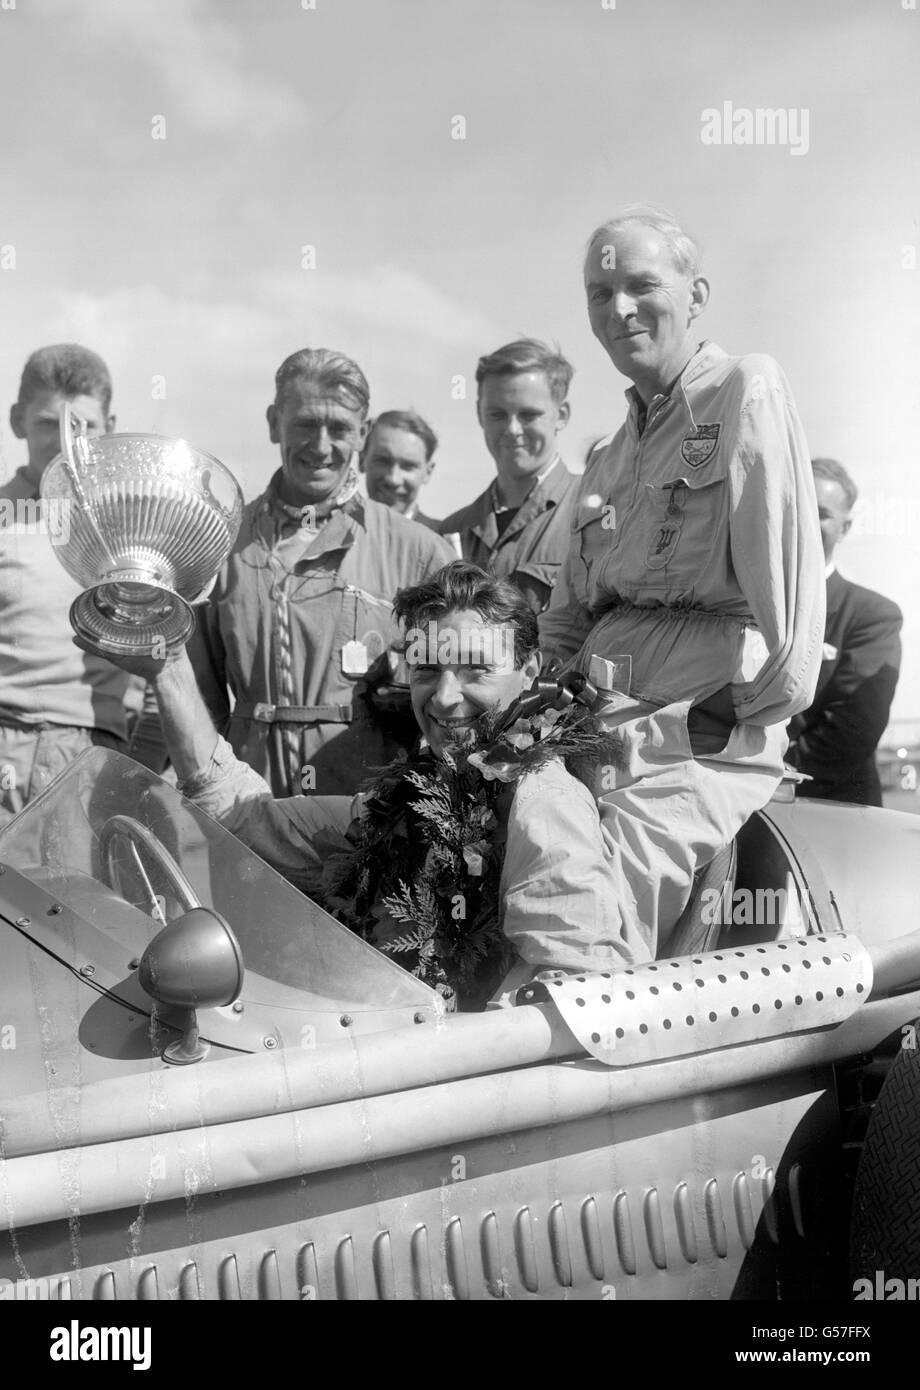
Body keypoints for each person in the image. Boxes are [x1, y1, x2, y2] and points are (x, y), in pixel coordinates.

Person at [95, 561, 646, 1008]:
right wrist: (167, 668)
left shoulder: (539, 800)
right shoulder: (412, 795)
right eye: (427, 671)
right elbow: (246, 818)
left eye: (477, 670)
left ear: (530, 671)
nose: (446, 697)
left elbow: (580, 988)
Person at [538, 204, 825, 959]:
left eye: (641, 284)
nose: (619, 309)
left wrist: (738, 710)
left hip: (692, 736)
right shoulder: (605, 455)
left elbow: (793, 595)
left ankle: (583, 1062)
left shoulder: (744, 390)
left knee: (593, 909)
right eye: (601, 295)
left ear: (695, 295)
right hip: (593, 730)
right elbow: (567, 618)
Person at [186, 348, 456, 797]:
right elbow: (201, 703)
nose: (322, 446)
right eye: (306, 424)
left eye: (340, 429)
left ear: (364, 434)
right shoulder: (219, 543)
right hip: (247, 811)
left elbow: (466, 686)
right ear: (274, 422)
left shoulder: (418, 552)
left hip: (371, 819)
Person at [0, 344, 142, 825]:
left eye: (82, 426)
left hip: (96, 757)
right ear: (17, 420)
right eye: (47, 423)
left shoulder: (133, 530)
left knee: (85, 900)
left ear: (110, 427)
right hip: (7, 746)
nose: (64, 441)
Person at [786, 458, 902, 805]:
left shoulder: (872, 615)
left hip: (831, 809)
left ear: (845, 527)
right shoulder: (736, 603)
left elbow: (850, 731)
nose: (806, 519)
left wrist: (756, 776)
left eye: (821, 512)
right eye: (798, 506)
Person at [439, 338, 578, 615]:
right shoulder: (450, 533)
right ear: (480, 414)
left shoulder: (594, 515)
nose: (512, 429)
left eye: (528, 415)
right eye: (497, 414)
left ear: (561, 416)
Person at [359, 409, 442, 530]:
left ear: (428, 472)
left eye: (408, 466)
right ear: (361, 461)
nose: (393, 479)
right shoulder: (335, 537)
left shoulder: (446, 544)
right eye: (383, 461)